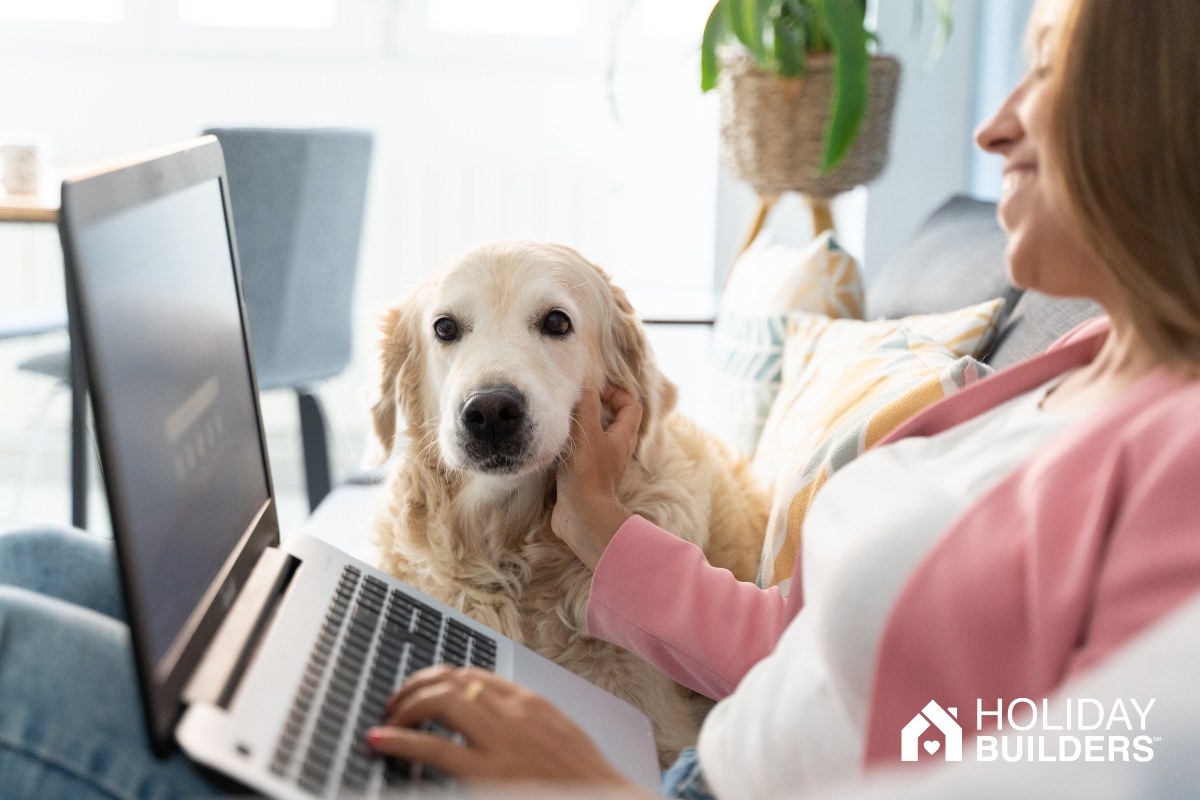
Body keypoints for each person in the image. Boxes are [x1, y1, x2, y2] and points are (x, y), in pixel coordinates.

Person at [3, 0, 1200, 798]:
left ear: (1158, 116)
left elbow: (1073, 758)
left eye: (1044, 69)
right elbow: (798, 646)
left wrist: (600, 788)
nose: (992, 124)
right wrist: (600, 529)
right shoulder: (1065, 368)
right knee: (53, 557)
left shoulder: (1177, 461)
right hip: (657, 755)